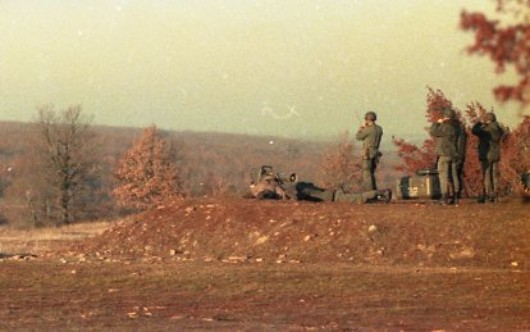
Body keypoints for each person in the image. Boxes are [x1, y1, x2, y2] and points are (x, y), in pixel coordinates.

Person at [248, 165, 392, 204]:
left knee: (351, 199)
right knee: (350, 198)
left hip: (329, 196)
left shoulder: (265, 186)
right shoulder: (268, 185)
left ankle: (379, 193)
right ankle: (376, 197)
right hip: (322, 193)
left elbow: (284, 195)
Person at [429, 108, 462, 204]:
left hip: (444, 154)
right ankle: (455, 195)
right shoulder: (458, 126)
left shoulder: (445, 126)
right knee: (454, 175)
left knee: (443, 175)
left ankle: (444, 196)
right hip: (454, 153)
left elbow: (433, 132)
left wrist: (437, 123)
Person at [471, 112, 505, 203]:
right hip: (496, 153)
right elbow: (504, 133)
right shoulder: (498, 129)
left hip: (486, 154)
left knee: (486, 175)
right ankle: (496, 194)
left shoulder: (486, 129)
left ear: (488, 119)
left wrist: (479, 123)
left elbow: (474, 130)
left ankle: (488, 194)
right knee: (494, 175)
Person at [355, 111, 383, 191]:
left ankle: (370, 191)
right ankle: (374, 190)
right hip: (375, 153)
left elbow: (358, 137)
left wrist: (361, 128)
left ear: (367, 120)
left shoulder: (368, 129)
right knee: (371, 173)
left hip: (368, 153)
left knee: (366, 173)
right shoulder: (379, 129)